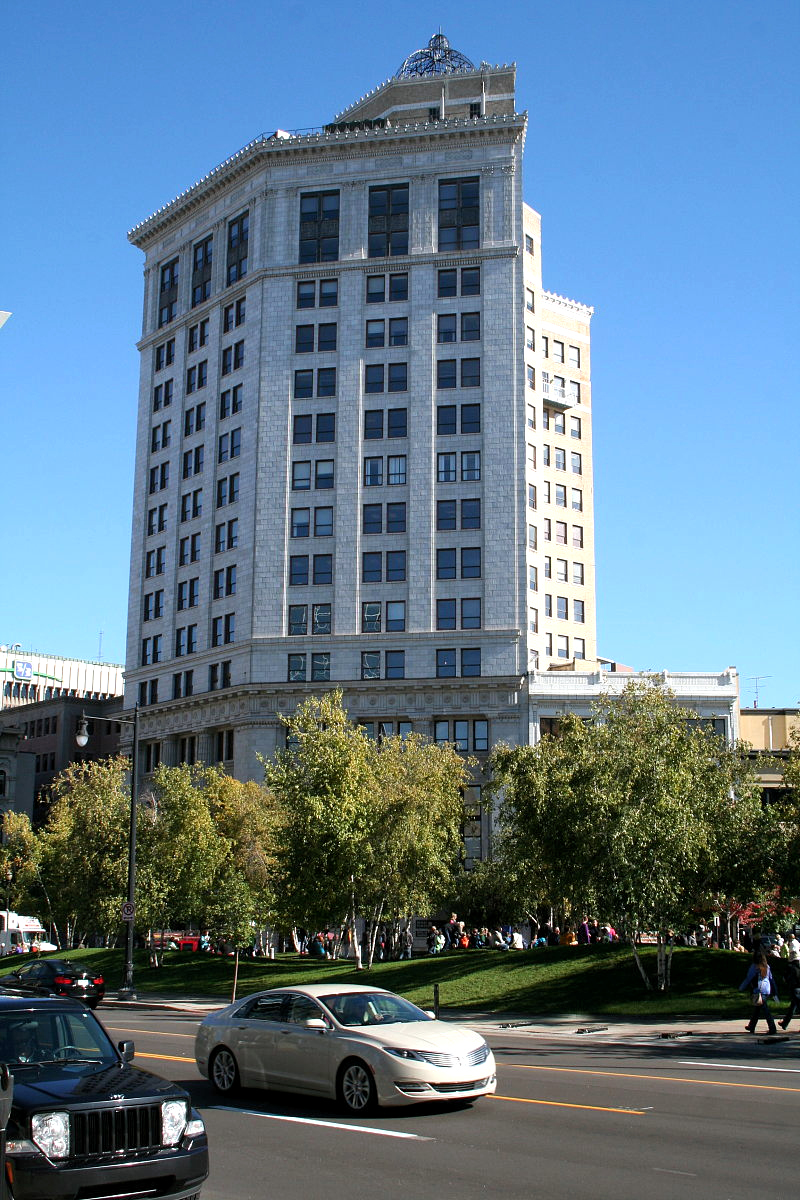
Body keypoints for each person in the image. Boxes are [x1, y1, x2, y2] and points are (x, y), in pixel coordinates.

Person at [739, 952, 778, 1035]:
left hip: (758, 990)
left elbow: (748, 978)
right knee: (758, 1008)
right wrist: (774, 991)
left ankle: (772, 1028)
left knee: (765, 1010)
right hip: (766, 990)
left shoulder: (754, 967)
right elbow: (771, 979)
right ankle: (751, 1026)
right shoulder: (767, 967)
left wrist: (741, 987)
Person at [778, 957, 800, 1029]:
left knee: (796, 1006)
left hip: (794, 988)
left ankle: (785, 1023)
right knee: (793, 1006)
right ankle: (785, 1023)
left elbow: (785, 978)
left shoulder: (790, 967)